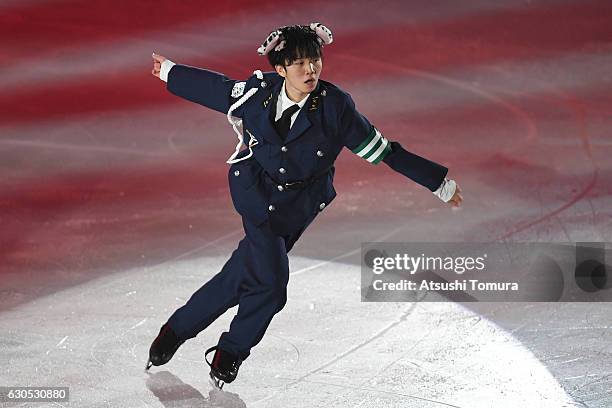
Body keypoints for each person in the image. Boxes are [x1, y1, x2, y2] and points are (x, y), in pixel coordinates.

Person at [146, 23, 463, 388]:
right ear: (280, 69)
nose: (310, 70)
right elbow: (215, 89)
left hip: (297, 205)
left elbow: (385, 151)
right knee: (272, 285)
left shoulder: (335, 108)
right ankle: (230, 352)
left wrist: (437, 182)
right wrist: (170, 71)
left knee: (242, 276)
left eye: (314, 61)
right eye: (299, 64)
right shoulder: (256, 92)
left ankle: (174, 330)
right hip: (256, 194)